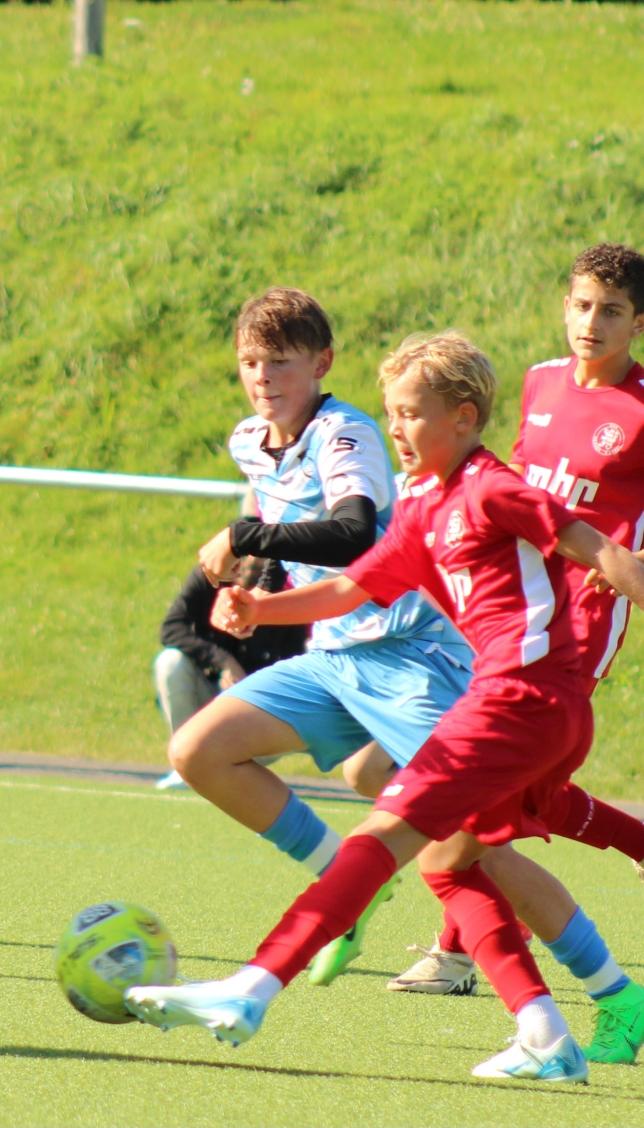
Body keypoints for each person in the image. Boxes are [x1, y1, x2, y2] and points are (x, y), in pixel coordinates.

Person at [128, 330, 644, 1085]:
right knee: (449, 862)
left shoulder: (494, 489)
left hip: (520, 703)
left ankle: (251, 989)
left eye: (410, 414)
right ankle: (547, 1033)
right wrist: (263, 608)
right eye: (390, 413)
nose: (395, 428)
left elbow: (609, 554)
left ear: (464, 417)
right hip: (522, 709)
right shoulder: (423, 504)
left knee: (381, 836)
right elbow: (353, 588)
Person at [385, 245, 644, 1057]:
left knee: (498, 781)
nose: (592, 322)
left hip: (586, 616)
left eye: (611, 311)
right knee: (521, 792)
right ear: (565, 305)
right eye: (582, 305)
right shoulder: (541, 381)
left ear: (639, 322)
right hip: (513, 605)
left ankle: (459, 952)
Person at [169, 288, 476, 985]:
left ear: (322, 362)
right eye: (250, 362)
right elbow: (277, 516)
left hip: (412, 651)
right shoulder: (248, 441)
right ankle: (346, 878)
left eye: (280, 361)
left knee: (479, 824)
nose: (263, 378)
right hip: (334, 656)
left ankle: (601, 956)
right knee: (197, 751)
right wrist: (252, 591)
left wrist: (244, 536)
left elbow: (352, 533)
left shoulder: (346, 433)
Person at [152, 556, 305, 788]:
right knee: (170, 662)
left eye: (263, 556)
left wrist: (252, 689)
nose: (253, 562)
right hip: (210, 698)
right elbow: (171, 628)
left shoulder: (290, 591)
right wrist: (222, 661)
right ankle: (187, 764)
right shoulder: (211, 576)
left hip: (261, 712)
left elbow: (300, 664)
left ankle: (238, 774)